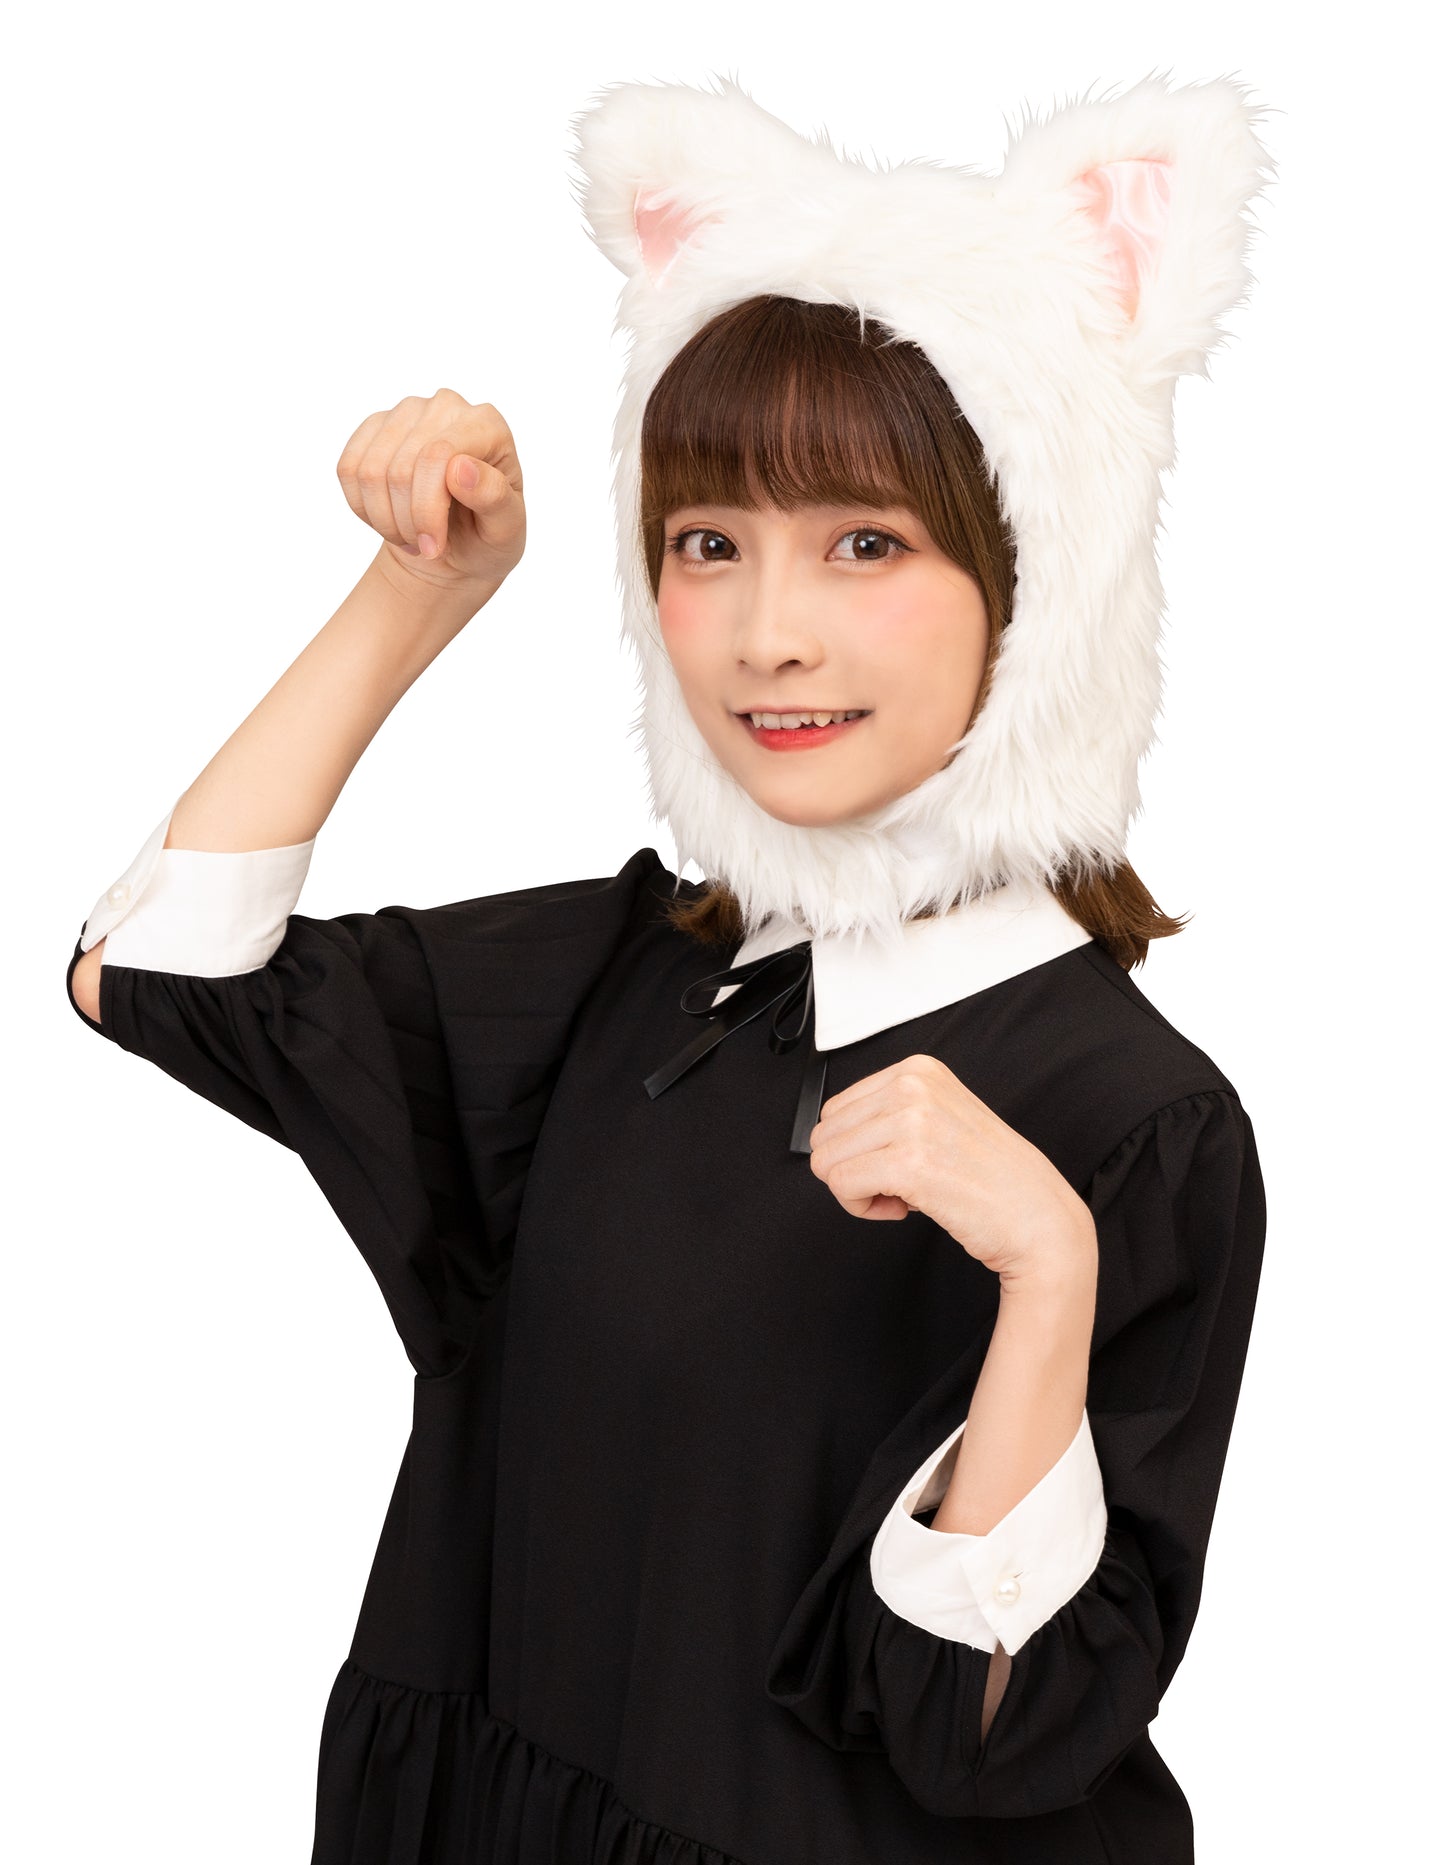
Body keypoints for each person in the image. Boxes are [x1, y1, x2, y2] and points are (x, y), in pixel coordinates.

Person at [65, 72, 1276, 1865]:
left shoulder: (1132, 1124)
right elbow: (156, 970)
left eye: (866, 543)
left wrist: (1046, 1266)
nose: (767, 633)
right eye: (708, 543)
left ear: (1039, 588)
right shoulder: (632, 986)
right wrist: (419, 588)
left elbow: (993, 1740)